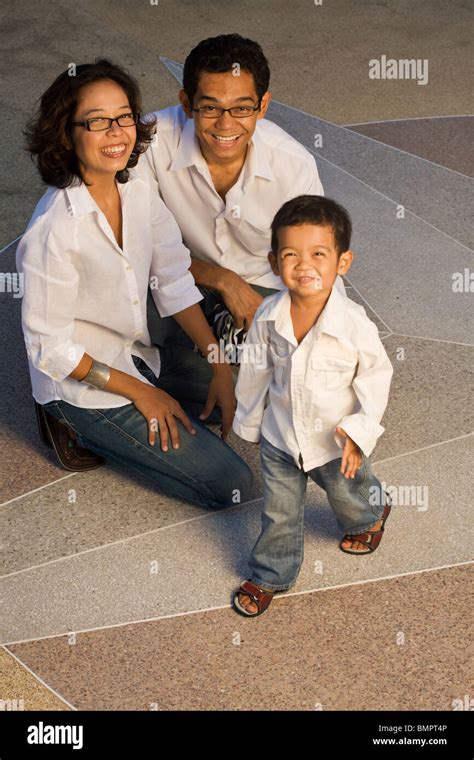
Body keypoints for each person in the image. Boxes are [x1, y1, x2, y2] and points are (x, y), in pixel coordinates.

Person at [17, 59, 253, 509]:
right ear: (67, 134)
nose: (117, 132)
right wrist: (143, 393)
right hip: (84, 382)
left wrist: (218, 361)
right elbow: (49, 348)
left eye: (124, 116)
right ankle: (63, 422)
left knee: (250, 397)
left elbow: (173, 278)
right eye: (98, 122)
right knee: (232, 483)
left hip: (136, 353)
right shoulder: (55, 231)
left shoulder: (137, 191)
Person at [135, 33, 346, 362]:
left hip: (263, 290)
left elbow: (314, 262)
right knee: (116, 304)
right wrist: (222, 280)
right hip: (176, 277)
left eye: (241, 108)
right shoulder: (150, 141)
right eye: (210, 107)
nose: (225, 124)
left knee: (314, 360)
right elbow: (130, 241)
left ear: (262, 106)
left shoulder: (293, 166)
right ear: (187, 104)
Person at [231, 195, 393, 616]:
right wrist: (249, 423)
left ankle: (370, 513)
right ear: (273, 261)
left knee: (348, 493)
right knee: (279, 512)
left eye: (319, 254)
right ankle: (271, 574)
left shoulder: (353, 323)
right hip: (281, 438)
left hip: (334, 440)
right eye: (291, 255)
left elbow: (376, 376)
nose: (304, 266)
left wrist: (359, 431)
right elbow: (255, 370)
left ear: (342, 262)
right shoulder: (268, 317)